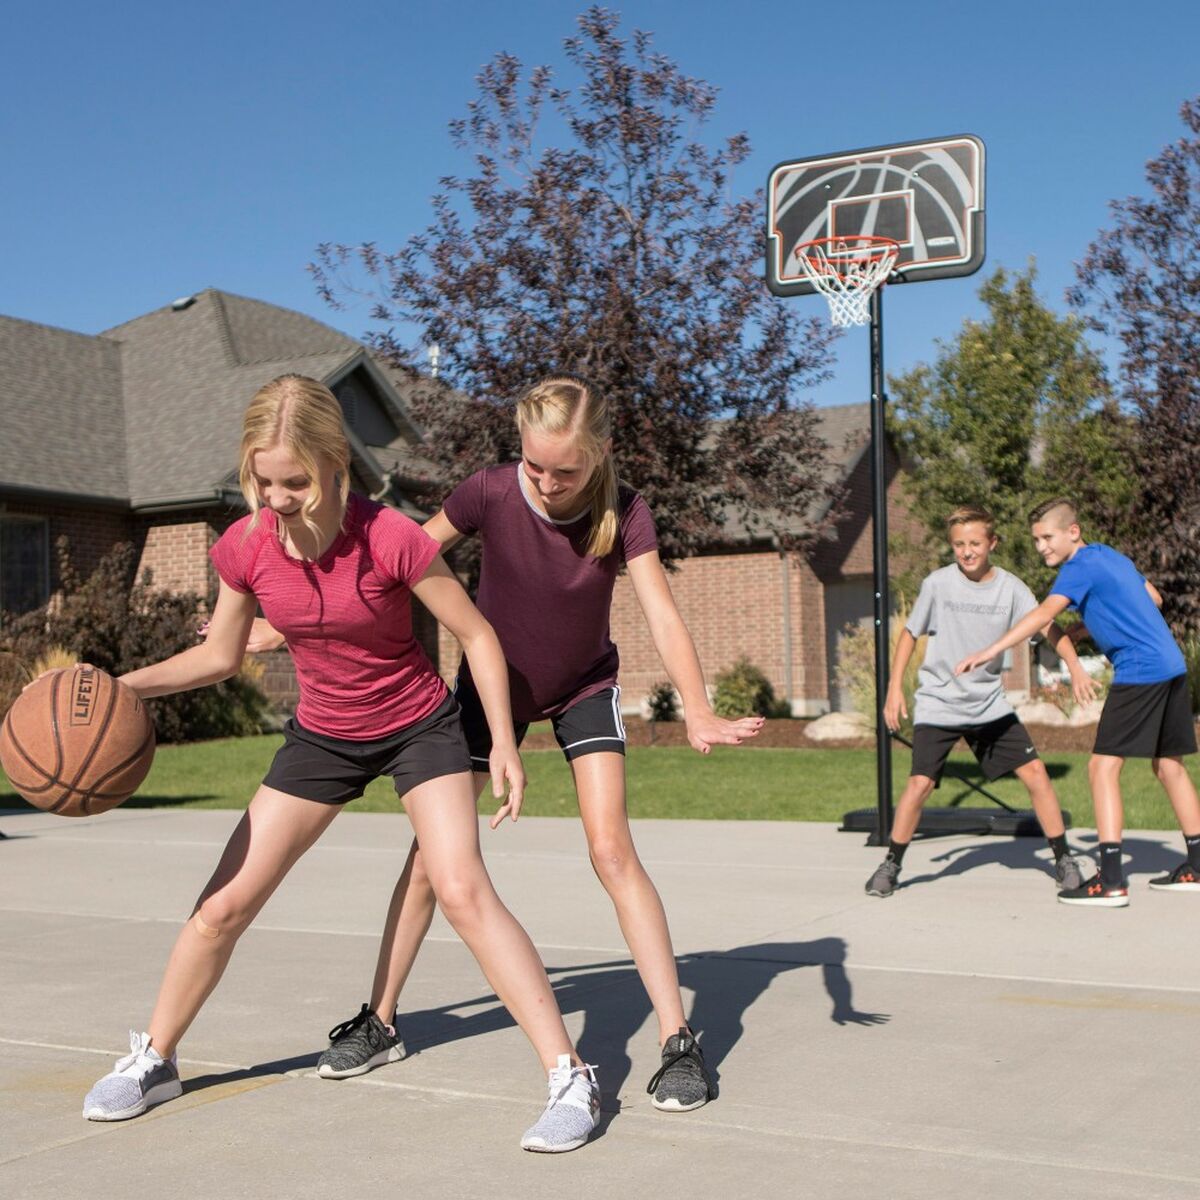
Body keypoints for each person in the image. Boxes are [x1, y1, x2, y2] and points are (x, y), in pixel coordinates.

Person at [80, 375, 599, 1154]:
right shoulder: (246, 545)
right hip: (323, 735)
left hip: (418, 727)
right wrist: (121, 686)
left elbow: (478, 634)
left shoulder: (391, 537)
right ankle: (155, 1059)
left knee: (461, 889)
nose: (276, 498)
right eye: (262, 481)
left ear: (335, 467)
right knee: (221, 906)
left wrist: (501, 742)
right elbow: (220, 656)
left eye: (293, 482)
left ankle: (569, 1076)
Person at [253, 373, 761, 1112]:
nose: (548, 484)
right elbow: (390, 565)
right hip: (487, 691)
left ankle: (678, 1041)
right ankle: (380, 1020)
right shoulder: (488, 492)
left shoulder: (625, 511)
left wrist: (698, 707)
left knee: (612, 849)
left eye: (566, 471)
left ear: (601, 452)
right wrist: (286, 621)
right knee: (431, 861)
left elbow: (661, 612)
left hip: (583, 687)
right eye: (535, 466)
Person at [955, 498, 1200, 907]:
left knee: (1102, 768)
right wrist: (1091, 627)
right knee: (1169, 766)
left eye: (1047, 537)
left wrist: (990, 650)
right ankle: (1197, 865)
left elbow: (1043, 615)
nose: (1041, 547)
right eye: (1036, 540)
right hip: (1171, 665)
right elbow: (1154, 598)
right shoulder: (1109, 556)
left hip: (1140, 671)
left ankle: (1111, 881)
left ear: (1073, 531)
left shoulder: (1077, 568)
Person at [865, 505, 1096, 898]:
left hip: (988, 705)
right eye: (959, 544)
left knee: (1036, 773)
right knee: (920, 783)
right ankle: (891, 864)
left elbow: (1047, 625)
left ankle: (1063, 860)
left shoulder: (1011, 588)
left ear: (993, 543)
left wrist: (1075, 666)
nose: (966, 551)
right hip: (939, 702)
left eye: (974, 543)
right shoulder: (938, 584)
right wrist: (893, 689)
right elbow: (909, 634)